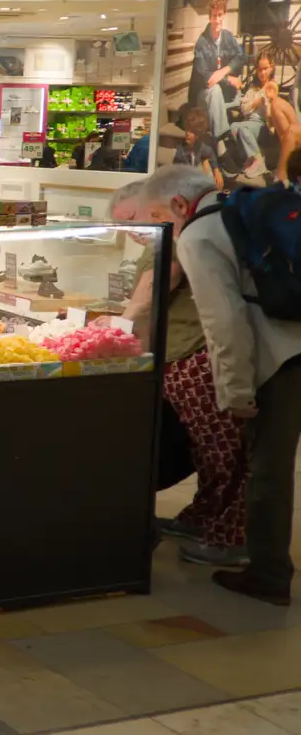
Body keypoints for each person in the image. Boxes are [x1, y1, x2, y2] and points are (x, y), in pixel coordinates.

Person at [140, 165, 301, 606]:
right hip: (294, 342)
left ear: (178, 204)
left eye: (157, 216)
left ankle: (268, 574)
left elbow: (224, 322)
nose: (159, 229)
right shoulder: (240, 210)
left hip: (280, 358)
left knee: (266, 467)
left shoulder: (198, 235)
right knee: (270, 463)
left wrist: (234, 392)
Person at [112, 181, 245, 565]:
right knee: (215, 449)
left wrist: (119, 331)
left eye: (141, 218)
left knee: (223, 453)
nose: (138, 229)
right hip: (194, 354)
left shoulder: (183, 235)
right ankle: (204, 521)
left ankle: (229, 540)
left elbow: (155, 289)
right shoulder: (208, 224)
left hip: (197, 354)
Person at [190, 0, 261, 178]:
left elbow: (241, 57)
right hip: (204, 95)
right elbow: (206, 77)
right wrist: (228, 78)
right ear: (209, 17)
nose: (217, 20)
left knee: (231, 97)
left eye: (220, 15)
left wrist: (224, 71)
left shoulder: (227, 36)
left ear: (224, 15)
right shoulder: (201, 43)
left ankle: (247, 153)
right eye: (214, 16)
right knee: (214, 91)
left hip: (225, 93)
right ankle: (221, 149)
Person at [242, 51, 299, 183]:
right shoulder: (253, 87)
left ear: (271, 68)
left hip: (262, 125)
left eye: (266, 69)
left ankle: (280, 178)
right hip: (258, 120)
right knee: (277, 107)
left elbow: (267, 112)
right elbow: (245, 107)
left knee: (289, 133)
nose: (262, 73)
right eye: (260, 69)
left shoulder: (271, 86)